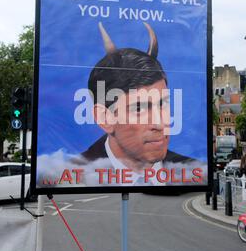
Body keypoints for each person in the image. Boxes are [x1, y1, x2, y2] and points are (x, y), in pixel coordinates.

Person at [78, 22, 205, 186]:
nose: (160, 123)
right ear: (105, 118)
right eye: (139, 108)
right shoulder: (68, 174)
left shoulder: (195, 173)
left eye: (163, 103)